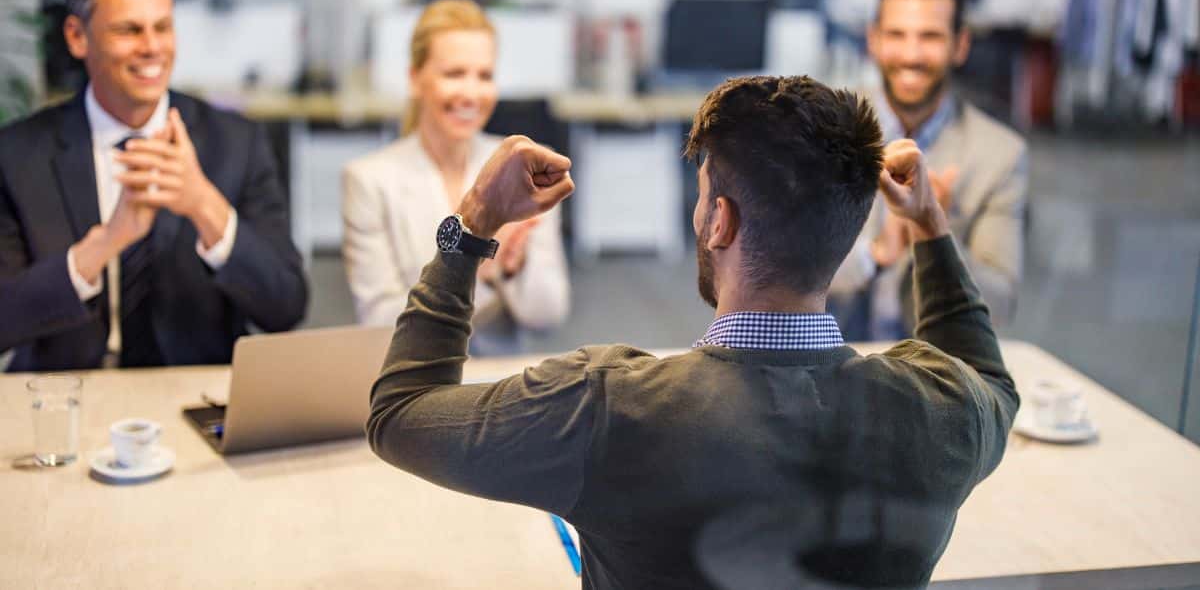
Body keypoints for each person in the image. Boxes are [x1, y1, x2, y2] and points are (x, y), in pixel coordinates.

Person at [366, 75, 1019, 588]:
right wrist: (932, 228)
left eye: (705, 193)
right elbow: (989, 377)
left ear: (719, 222)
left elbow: (400, 414)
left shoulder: (607, 406)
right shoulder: (946, 411)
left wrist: (471, 227)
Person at [0, 0, 307, 371]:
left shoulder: (236, 142)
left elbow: (286, 306)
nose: (152, 48)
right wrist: (104, 245)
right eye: (129, 30)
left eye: (163, 27)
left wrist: (204, 205)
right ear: (77, 37)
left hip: (193, 394)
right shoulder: (17, 153)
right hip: (67, 398)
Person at [341, 0, 568, 354]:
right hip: (417, 387)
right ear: (415, 79)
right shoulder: (369, 181)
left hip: (503, 385)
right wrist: (478, 266)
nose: (471, 93)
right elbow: (382, 323)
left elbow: (548, 315)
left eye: (484, 76)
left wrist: (514, 267)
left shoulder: (524, 166)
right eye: (454, 74)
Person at [829, 0, 1029, 340]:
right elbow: (779, 273)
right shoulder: (826, 129)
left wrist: (935, 231)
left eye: (930, 37)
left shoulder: (999, 155)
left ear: (961, 45)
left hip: (933, 378)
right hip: (824, 370)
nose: (911, 54)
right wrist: (874, 254)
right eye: (896, 35)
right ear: (873, 40)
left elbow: (1000, 307)